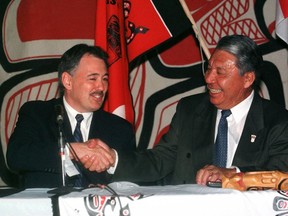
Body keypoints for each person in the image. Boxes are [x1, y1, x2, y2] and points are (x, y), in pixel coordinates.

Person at [82, 34, 288, 186]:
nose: (208, 79)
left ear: (248, 78)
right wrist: (113, 159)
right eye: (208, 69)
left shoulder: (276, 120)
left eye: (220, 72)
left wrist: (232, 174)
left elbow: (280, 173)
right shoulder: (189, 110)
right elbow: (159, 161)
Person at [6, 44, 136, 188]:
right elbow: (16, 156)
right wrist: (71, 150)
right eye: (93, 79)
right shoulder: (37, 113)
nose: (101, 87)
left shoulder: (120, 128)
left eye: (105, 79)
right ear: (67, 81)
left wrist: (109, 167)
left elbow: (132, 176)